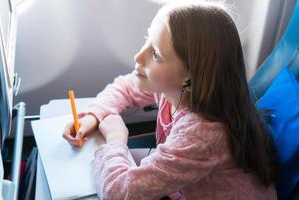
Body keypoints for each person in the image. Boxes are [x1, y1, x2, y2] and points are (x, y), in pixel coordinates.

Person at [63, 1, 278, 199]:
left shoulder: (202, 135)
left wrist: (116, 139)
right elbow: (126, 86)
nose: (138, 56)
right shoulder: (175, 89)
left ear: (190, 76)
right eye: (148, 39)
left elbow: (119, 193)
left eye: (155, 54)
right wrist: (94, 115)